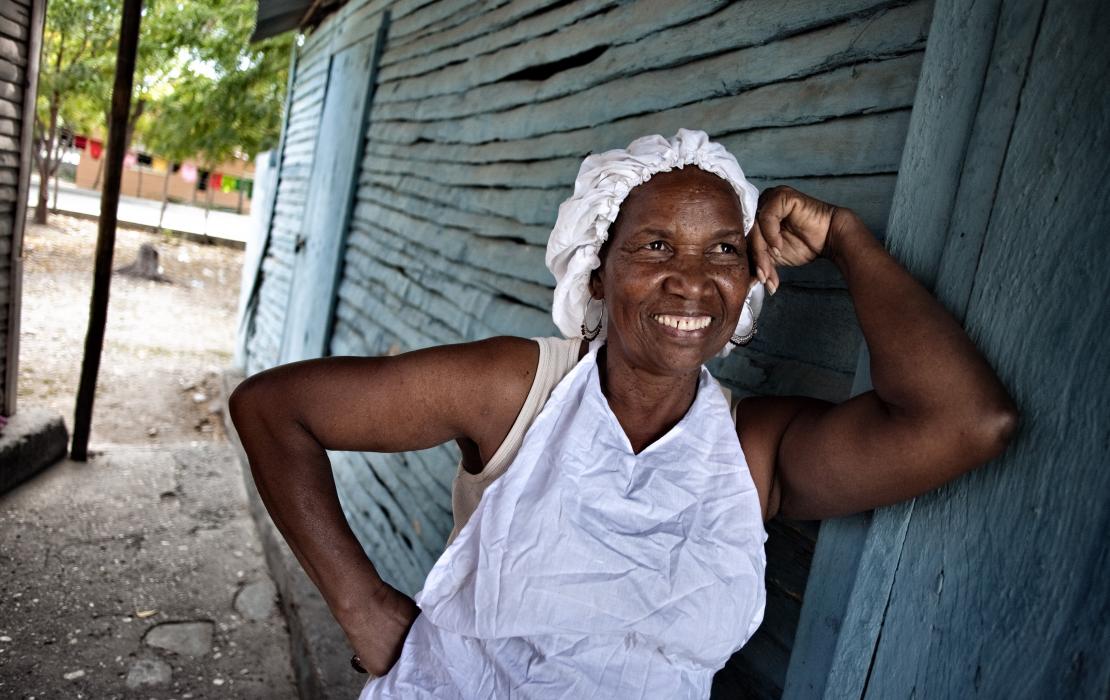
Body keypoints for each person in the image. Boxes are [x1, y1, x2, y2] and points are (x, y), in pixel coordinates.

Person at [229, 129, 1017, 698]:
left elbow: (966, 423)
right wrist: (362, 607)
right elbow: (273, 410)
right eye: (655, 247)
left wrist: (846, 239)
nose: (692, 281)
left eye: (722, 252)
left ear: (750, 282)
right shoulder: (517, 389)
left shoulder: (752, 450)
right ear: (597, 274)